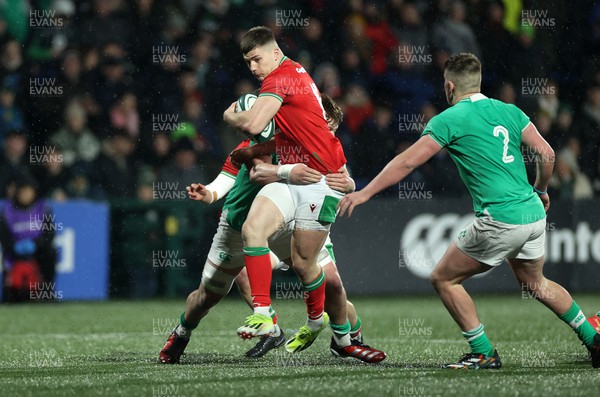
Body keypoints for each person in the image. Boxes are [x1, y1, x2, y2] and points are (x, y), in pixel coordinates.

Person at [338, 53, 600, 369]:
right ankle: (592, 337)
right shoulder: (509, 111)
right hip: (533, 214)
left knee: (444, 278)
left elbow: (408, 161)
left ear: (450, 86)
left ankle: (484, 351)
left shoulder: (449, 119)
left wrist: (365, 192)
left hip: (501, 218)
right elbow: (546, 152)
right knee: (535, 283)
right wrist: (541, 190)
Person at [159, 95, 385, 363]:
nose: (325, 133)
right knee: (207, 296)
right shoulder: (267, 140)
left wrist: (348, 184)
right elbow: (247, 175)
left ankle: (348, 339)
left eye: (330, 129)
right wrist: (208, 193)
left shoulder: (322, 147)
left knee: (332, 282)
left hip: (289, 223)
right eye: (321, 125)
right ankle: (183, 332)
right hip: (238, 226)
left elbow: (343, 177)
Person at [222, 26, 369, 361]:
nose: (253, 68)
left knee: (322, 279)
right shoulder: (295, 80)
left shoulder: (280, 80)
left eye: (256, 59)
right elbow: (265, 161)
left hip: (316, 190)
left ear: (275, 53)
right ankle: (264, 313)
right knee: (252, 232)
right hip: (293, 188)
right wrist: (275, 165)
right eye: (247, 63)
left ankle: (336, 332)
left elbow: (253, 124)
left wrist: (229, 114)